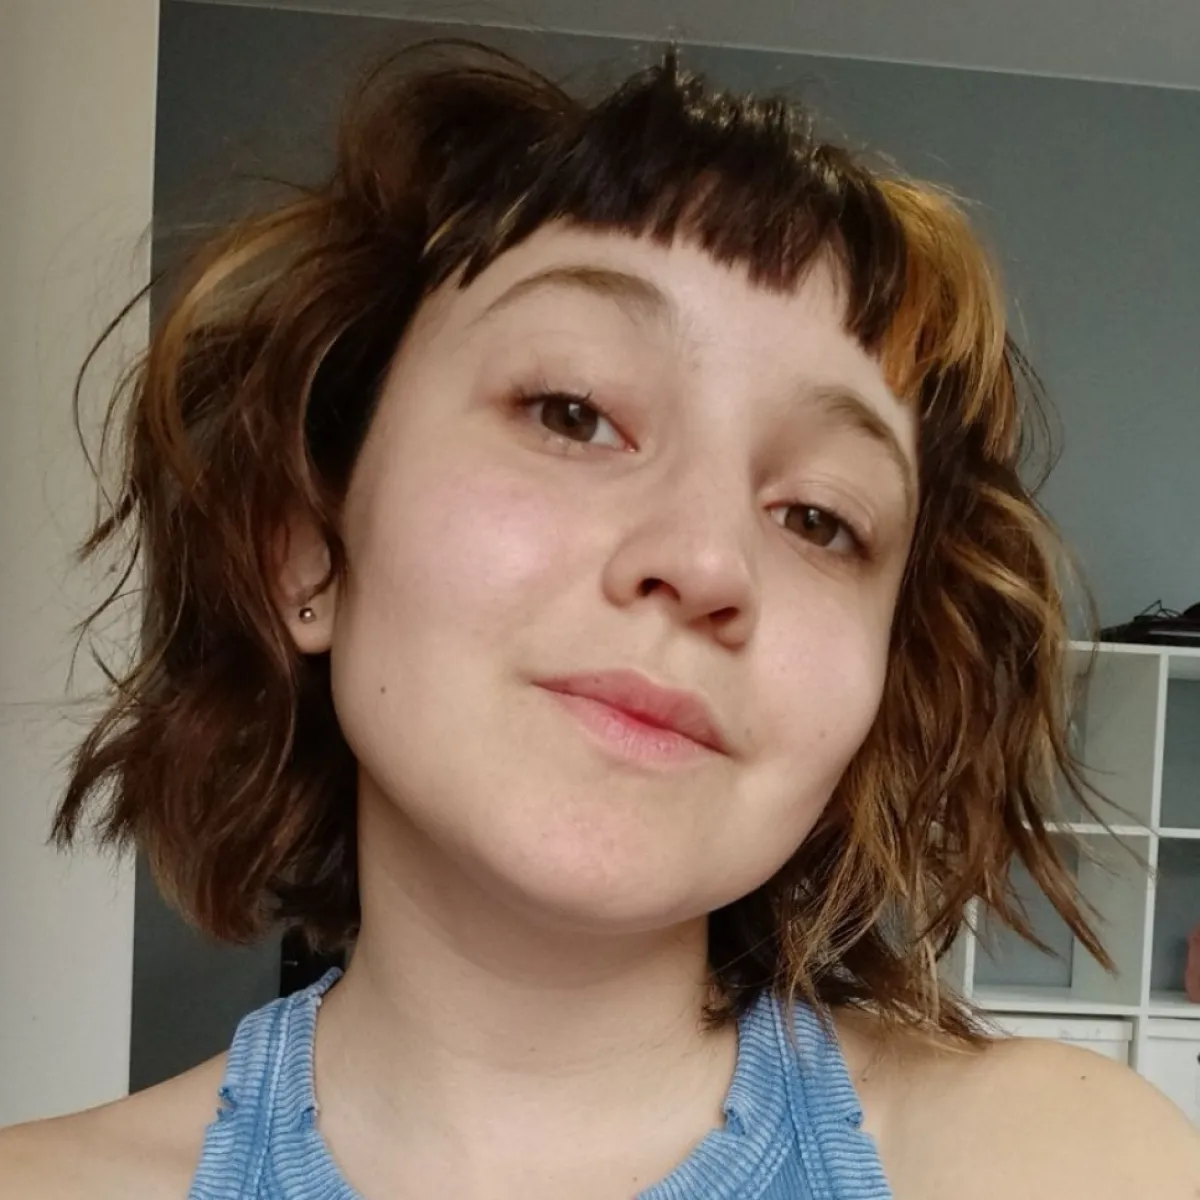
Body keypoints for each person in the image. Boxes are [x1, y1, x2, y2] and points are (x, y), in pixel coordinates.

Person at [1, 39, 1196, 1200]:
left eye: (820, 518)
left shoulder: (1075, 1165)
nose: (706, 560)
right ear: (310, 549)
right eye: (572, 413)